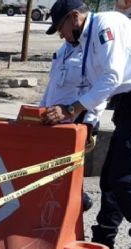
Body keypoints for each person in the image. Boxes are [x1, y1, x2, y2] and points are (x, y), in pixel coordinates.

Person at [41, 0, 131, 249]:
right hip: (128, 105)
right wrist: (88, 120)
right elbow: (95, 87)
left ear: (74, 17)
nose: (62, 35)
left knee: (126, 179)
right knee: (110, 178)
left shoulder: (106, 25)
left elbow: (112, 75)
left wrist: (73, 109)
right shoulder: (86, 42)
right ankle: (103, 242)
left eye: (61, 27)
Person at [39, 26, 107, 213]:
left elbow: (100, 91)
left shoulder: (93, 53)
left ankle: (78, 204)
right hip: (52, 122)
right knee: (52, 174)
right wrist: (40, 111)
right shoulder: (63, 50)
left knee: (68, 174)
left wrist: (89, 124)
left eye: (63, 28)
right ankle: (64, 209)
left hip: (77, 124)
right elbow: (52, 86)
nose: (62, 34)